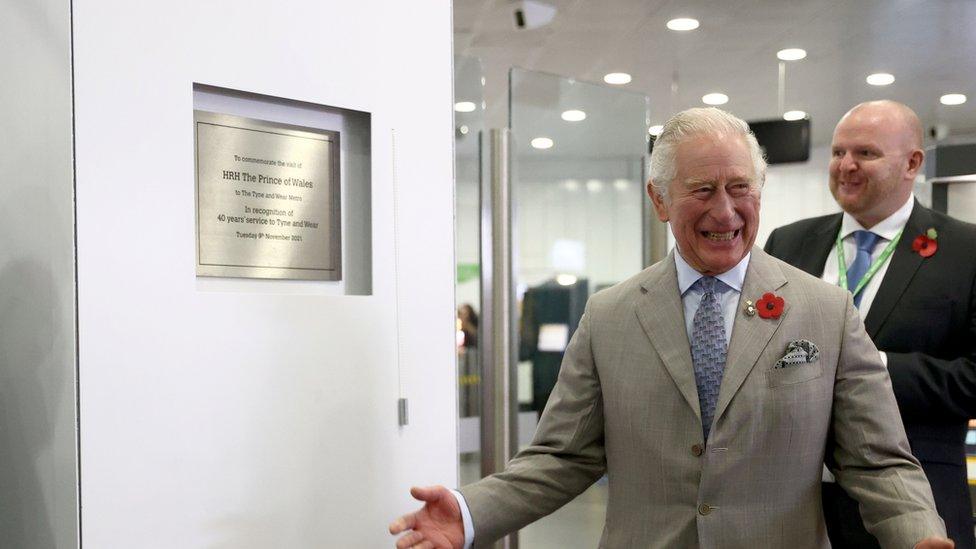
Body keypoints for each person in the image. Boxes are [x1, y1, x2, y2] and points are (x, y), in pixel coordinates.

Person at [391, 107, 951, 548]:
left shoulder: (825, 312)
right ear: (660, 199)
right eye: (702, 190)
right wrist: (468, 513)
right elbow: (562, 456)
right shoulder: (610, 315)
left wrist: (919, 533)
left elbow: (876, 459)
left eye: (740, 188)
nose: (726, 212)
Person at [765, 100, 976, 549]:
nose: (846, 166)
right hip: (792, 506)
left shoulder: (966, 252)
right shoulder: (788, 243)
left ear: (912, 163)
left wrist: (872, 364)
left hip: (916, 505)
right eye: (838, 152)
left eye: (866, 153)